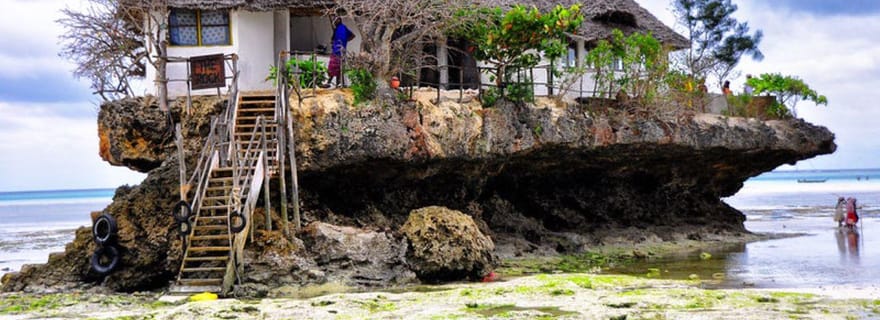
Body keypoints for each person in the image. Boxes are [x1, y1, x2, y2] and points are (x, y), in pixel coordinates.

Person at [325, 16, 356, 88]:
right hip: (338, 50)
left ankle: (330, 82)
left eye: (335, 21)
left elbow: (352, 36)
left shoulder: (342, 28)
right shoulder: (338, 29)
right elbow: (333, 39)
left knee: (335, 67)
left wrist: (345, 41)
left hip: (338, 51)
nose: (334, 22)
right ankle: (336, 83)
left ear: (339, 20)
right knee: (337, 67)